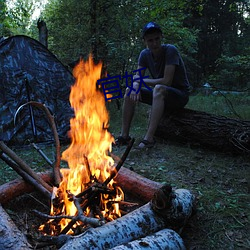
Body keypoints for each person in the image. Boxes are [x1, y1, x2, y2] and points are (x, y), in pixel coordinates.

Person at [115, 21, 191, 148]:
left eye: (157, 39)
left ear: (161, 37)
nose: (154, 43)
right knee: (129, 91)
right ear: (145, 41)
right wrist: (135, 86)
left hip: (179, 95)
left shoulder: (170, 50)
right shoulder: (144, 54)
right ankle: (124, 136)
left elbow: (167, 81)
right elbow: (137, 76)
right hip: (159, 94)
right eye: (150, 40)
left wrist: (139, 82)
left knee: (159, 88)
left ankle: (149, 138)